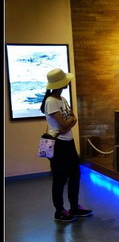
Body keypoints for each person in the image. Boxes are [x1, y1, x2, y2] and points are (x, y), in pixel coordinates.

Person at [40, 68, 92, 222]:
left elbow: (72, 119)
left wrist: (68, 124)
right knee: (60, 178)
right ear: (60, 83)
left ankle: (74, 206)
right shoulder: (50, 102)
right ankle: (60, 210)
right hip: (58, 144)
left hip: (68, 141)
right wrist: (69, 123)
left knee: (75, 174)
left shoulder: (62, 99)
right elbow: (65, 122)